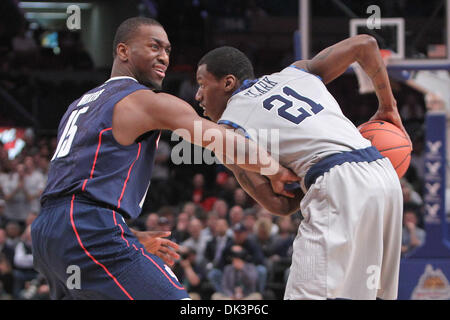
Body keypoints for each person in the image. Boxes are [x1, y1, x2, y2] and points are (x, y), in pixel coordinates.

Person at [30, 17, 297, 300]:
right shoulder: (142, 100)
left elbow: (74, 189)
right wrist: (275, 171)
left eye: (168, 50)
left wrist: (125, 234)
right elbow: (222, 140)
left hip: (48, 234)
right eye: (154, 47)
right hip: (86, 228)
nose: (164, 57)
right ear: (123, 51)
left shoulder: (78, 106)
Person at [195, 35, 409, 300]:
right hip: (384, 173)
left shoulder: (227, 129)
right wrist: (388, 107)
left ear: (228, 83)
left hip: (336, 181)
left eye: (202, 84)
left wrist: (295, 180)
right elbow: (365, 44)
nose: (198, 95)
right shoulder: (297, 72)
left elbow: (279, 206)